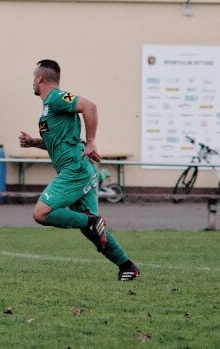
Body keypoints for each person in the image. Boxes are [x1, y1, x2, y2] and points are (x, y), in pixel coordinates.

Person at [19, 59, 140, 281]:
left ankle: (94, 223)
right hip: (79, 169)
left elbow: (90, 106)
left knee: (40, 213)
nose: (32, 82)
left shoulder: (56, 97)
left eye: (33, 78)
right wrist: (33, 142)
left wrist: (91, 141)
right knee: (89, 228)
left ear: (39, 78)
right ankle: (127, 266)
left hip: (74, 169)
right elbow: (57, 141)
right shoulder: (48, 108)